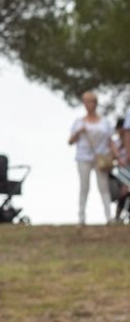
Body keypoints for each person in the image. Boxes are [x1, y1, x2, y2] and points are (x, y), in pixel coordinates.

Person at [67, 90, 115, 225]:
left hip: (101, 158)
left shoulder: (104, 122)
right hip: (83, 157)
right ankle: (81, 218)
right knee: (84, 187)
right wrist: (78, 132)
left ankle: (109, 217)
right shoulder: (79, 122)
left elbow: (110, 141)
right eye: (86, 102)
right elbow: (70, 141)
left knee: (104, 187)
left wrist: (116, 156)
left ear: (95, 103)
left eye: (91, 102)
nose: (88, 105)